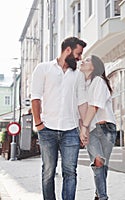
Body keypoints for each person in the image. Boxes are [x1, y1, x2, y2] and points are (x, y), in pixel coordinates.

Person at [30, 36, 87, 200]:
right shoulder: (43, 69)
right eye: (78, 54)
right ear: (67, 50)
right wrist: (38, 124)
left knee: (70, 171)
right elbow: (35, 98)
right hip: (47, 129)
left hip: (70, 130)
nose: (80, 58)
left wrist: (84, 128)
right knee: (48, 171)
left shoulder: (78, 75)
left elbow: (82, 103)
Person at [79, 55, 117, 200]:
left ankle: (99, 195)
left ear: (95, 67)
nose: (83, 61)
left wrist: (84, 127)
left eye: (87, 60)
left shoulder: (99, 81)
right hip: (92, 130)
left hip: (106, 128)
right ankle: (102, 196)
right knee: (98, 163)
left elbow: (94, 106)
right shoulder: (84, 85)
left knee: (101, 164)